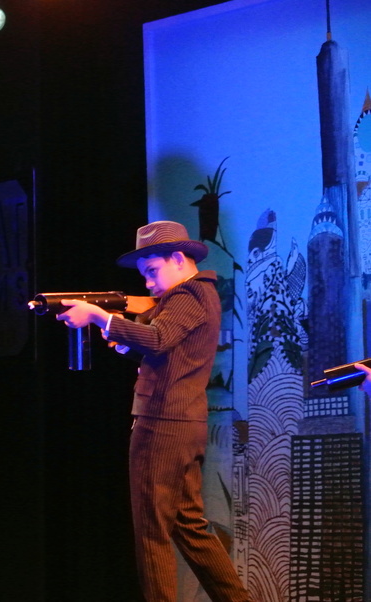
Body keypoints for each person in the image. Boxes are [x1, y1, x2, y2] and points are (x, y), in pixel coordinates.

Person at [57, 221, 250, 602]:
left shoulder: (188, 294)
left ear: (178, 258)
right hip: (180, 422)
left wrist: (100, 317)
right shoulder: (196, 294)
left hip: (163, 423)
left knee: (151, 531)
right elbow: (169, 350)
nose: (147, 283)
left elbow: (159, 339)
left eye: (152, 271)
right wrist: (127, 342)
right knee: (189, 527)